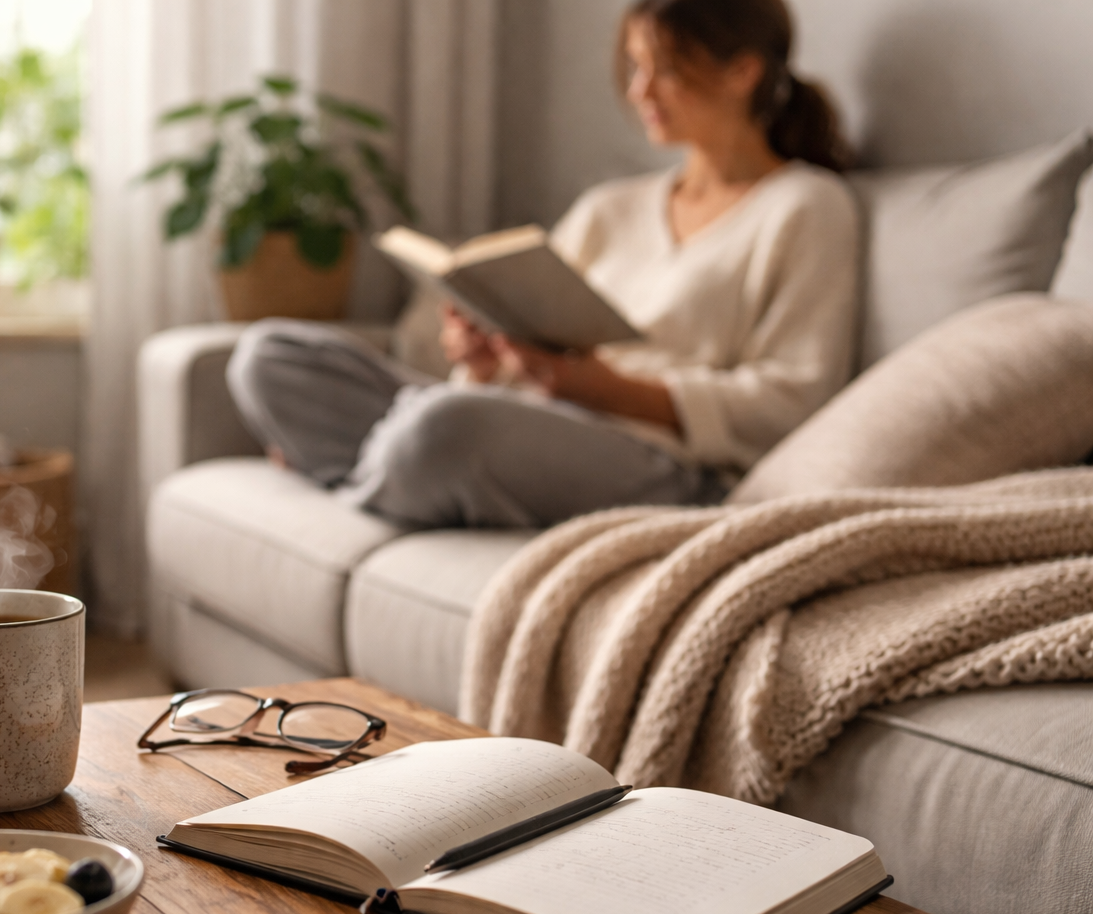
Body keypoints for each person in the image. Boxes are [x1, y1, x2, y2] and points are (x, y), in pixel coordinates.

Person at [227, 0, 860, 529]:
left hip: (657, 460)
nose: (640, 92)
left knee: (441, 427)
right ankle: (401, 475)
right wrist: (482, 362)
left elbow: (792, 401)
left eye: (665, 70)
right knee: (269, 358)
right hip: (527, 418)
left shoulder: (806, 207)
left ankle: (361, 478)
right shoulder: (611, 208)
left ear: (742, 71)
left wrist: (604, 389)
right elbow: (526, 348)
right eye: (636, 68)